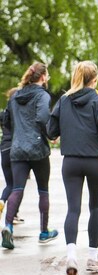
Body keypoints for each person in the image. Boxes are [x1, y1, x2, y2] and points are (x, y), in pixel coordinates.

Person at [47, 61, 98, 275]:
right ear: (95, 79)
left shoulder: (64, 101)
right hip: (96, 160)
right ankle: (94, 257)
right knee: (95, 205)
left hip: (71, 162)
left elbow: (51, 131)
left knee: (73, 208)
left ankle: (71, 255)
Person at [1, 62, 58, 250]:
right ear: (42, 77)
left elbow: (6, 120)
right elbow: (42, 118)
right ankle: (44, 232)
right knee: (43, 189)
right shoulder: (42, 95)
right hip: (37, 149)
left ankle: (8, 226)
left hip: (17, 148)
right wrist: (51, 135)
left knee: (17, 188)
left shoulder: (15, 95)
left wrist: (18, 135)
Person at [0, 88, 25, 224]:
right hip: (15, 150)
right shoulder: (18, 114)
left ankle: (2, 201)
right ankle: (14, 214)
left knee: (9, 184)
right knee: (18, 186)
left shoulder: (4, 114)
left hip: (4, 149)